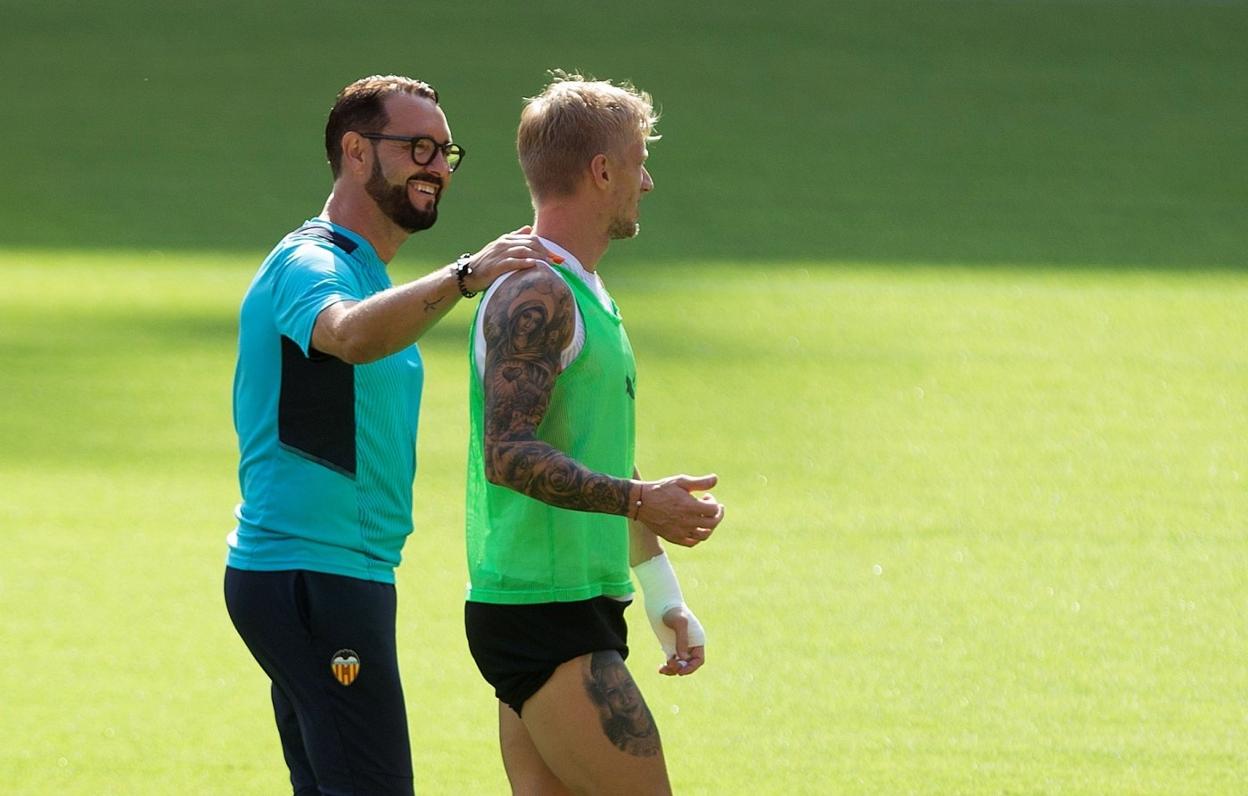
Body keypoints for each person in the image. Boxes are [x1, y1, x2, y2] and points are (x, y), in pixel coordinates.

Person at [224, 74, 556, 795]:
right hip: (312, 575)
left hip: (334, 575)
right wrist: (465, 275)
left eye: (445, 152)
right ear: (354, 151)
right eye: (417, 147)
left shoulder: (370, 276)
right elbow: (344, 335)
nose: (436, 166)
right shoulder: (311, 263)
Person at [463, 71, 726, 794]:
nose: (647, 181)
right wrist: (644, 501)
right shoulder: (539, 292)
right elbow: (509, 455)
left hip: (556, 605)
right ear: (602, 171)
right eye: (638, 161)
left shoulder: (582, 293)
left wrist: (662, 595)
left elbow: (601, 461)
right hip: (546, 615)